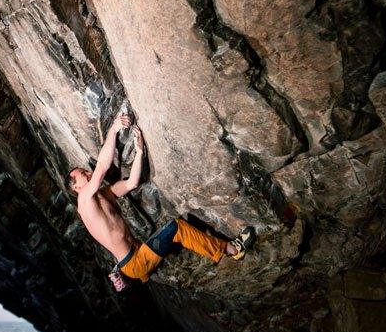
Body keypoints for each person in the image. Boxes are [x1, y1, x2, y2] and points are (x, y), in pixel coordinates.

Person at [67, 114, 255, 289]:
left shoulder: (104, 194)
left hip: (138, 254)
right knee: (177, 228)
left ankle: (224, 249)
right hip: (135, 263)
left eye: (85, 170)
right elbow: (101, 167)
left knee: (176, 229)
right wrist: (113, 130)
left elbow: (131, 183)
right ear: (76, 188)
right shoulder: (84, 202)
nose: (88, 173)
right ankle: (231, 250)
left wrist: (139, 152)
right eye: (83, 174)